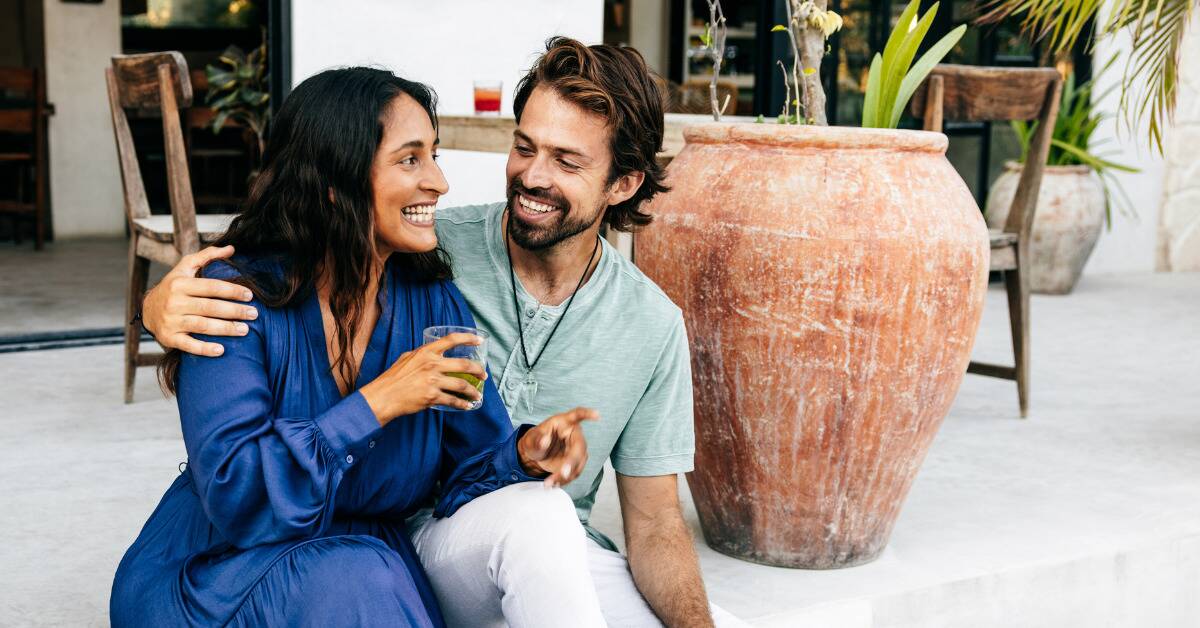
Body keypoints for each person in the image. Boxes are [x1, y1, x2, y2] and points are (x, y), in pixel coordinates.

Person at [141, 39, 740, 627]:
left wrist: (522, 451)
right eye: (411, 159)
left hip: (407, 553)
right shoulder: (238, 296)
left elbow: (479, 464)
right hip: (230, 570)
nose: (441, 182)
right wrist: (154, 307)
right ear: (335, 180)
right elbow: (235, 495)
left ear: (623, 184)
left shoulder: (427, 283)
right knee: (366, 578)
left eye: (566, 160)